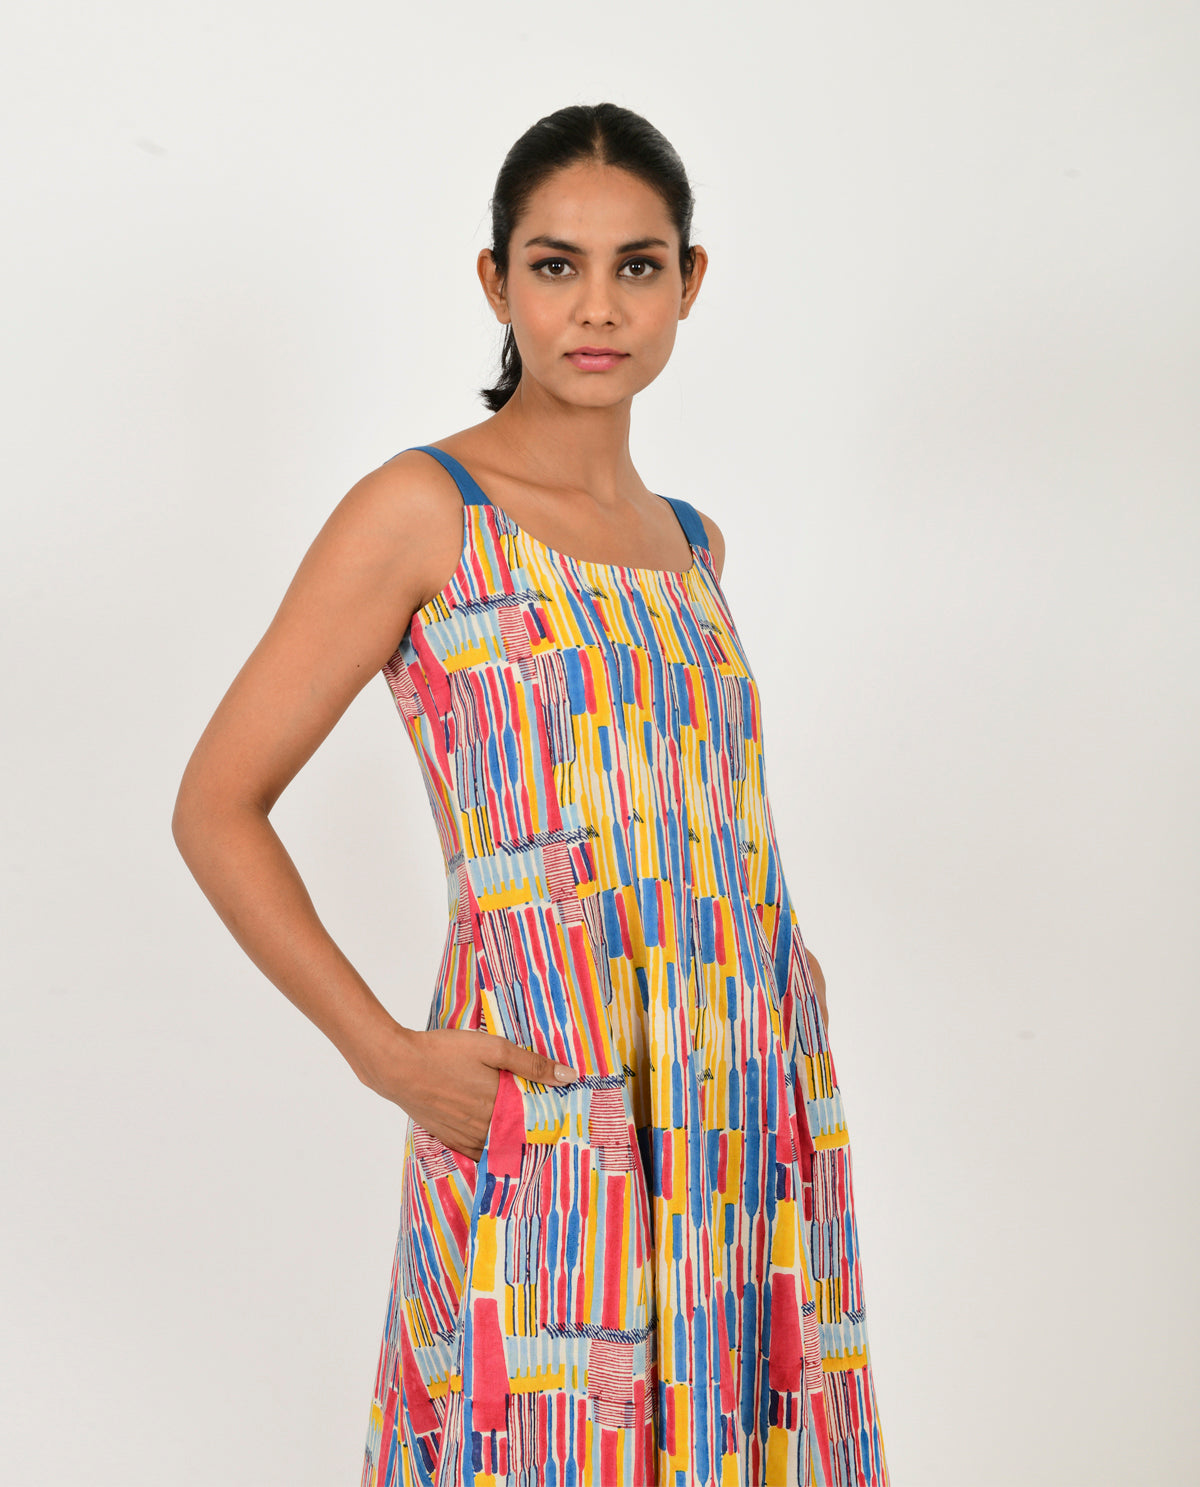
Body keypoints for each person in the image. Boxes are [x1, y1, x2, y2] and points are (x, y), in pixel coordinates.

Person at [172, 101, 889, 1487]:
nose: (597, 306)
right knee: (540, 1444)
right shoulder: (425, 509)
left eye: (638, 265)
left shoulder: (693, 544)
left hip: (746, 1100)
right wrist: (384, 1053)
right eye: (556, 266)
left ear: (689, 282)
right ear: (497, 282)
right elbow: (217, 803)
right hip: (555, 1091)